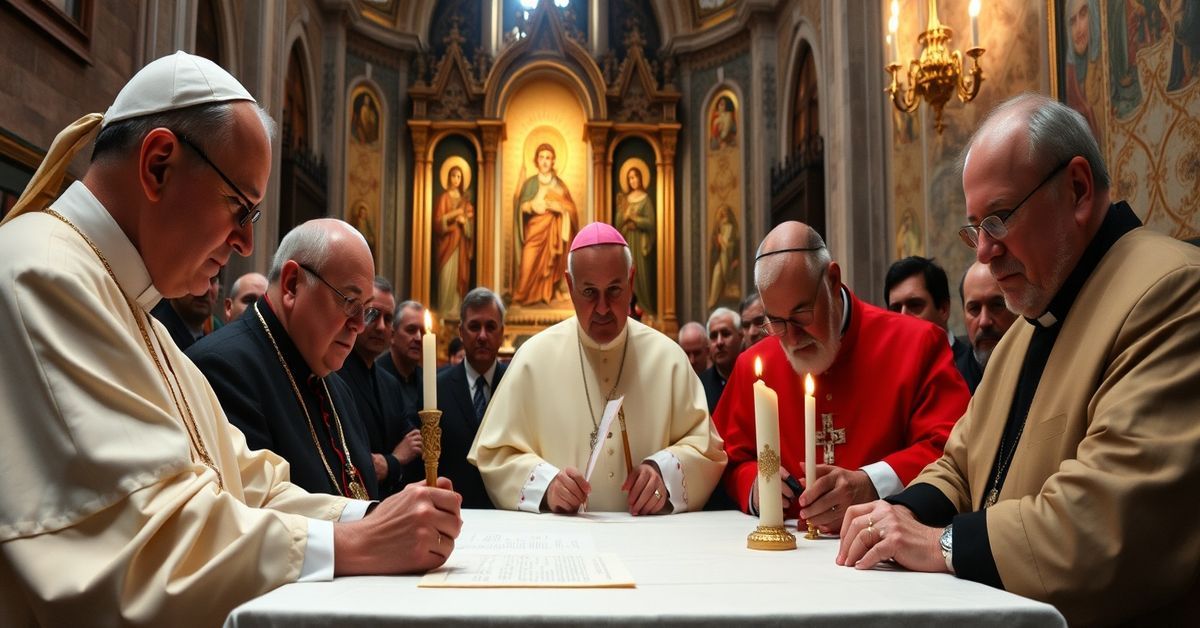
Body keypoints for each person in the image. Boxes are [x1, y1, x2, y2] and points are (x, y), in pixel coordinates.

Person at [0, 51, 460, 625]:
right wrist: (358, 545)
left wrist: (372, 518)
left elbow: (250, 485)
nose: (245, 242)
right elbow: (146, 546)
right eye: (239, 207)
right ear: (159, 165)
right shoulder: (44, 275)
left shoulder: (135, 312)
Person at [837, 94, 1200, 626]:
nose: (982, 251)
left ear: (1076, 189)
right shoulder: (1026, 327)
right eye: (975, 228)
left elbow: (1108, 522)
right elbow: (960, 464)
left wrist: (941, 544)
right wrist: (901, 514)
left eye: (1000, 219)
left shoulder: (1172, 292)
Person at [715, 222, 968, 532]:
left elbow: (954, 449)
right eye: (776, 321)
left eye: (801, 315)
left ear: (832, 281)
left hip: (887, 555)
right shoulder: (753, 366)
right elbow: (724, 459)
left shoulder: (918, 344)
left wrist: (872, 483)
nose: (791, 340)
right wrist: (755, 486)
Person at [471, 223, 726, 514]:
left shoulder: (669, 359)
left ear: (631, 282)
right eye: (589, 292)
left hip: (651, 544)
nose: (603, 308)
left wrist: (663, 473)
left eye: (614, 290)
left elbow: (707, 450)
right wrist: (547, 484)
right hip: (563, 544)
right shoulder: (532, 359)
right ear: (570, 286)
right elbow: (495, 455)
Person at [188, 219, 379, 499]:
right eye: (350, 301)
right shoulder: (221, 369)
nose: (360, 325)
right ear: (292, 285)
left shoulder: (339, 389)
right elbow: (258, 517)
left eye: (367, 309)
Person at [337, 276, 422, 497]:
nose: (382, 327)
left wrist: (388, 463)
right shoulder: (333, 375)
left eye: (389, 318)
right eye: (373, 315)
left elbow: (412, 444)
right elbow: (355, 460)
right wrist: (394, 460)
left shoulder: (389, 383)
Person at [435, 287, 508, 509]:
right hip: (454, 511)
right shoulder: (437, 387)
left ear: (502, 332)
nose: (483, 336)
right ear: (461, 331)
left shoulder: (516, 383)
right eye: (475, 326)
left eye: (491, 327)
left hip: (508, 513)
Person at [884, 256, 975, 390]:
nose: (903, 317)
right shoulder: (885, 376)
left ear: (943, 309)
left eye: (915, 305)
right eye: (895, 309)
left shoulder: (975, 369)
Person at [513, 143, 579, 306]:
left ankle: (549, 292)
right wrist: (529, 206)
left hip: (554, 230)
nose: (544, 161)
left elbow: (572, 210)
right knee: (528, 261)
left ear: (553, 161)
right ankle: (521, 295)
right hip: (534, 230)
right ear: (536, 160)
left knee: (553, 260)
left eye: (548, 158)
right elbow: (521, 206)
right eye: (541, 157)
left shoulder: (560, 185)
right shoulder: (530, 183)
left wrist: (560, 209)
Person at [955, 262, 1017, 393]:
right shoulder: (951, 383)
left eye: (996, 305)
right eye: (974, 309)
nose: (984, 322)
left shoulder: (1044, 370)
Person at [378, 300, 427, 457]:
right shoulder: (377, 377)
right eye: (411, 330)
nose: (419, 338)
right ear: (392, 335)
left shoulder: (428, 381)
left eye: (423, 332)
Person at [433, 164, 474, 315]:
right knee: (445, 278)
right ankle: (444, 310)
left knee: (459, 277)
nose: (456, 179)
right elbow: (437, 223)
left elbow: (471, 229)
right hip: (446, 245)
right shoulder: (443, 198)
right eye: (453, 176)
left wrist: (466, 224)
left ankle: (456, 311)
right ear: (448, 178)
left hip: (461, 247)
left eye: (459, 176)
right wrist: (454, 214)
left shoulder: (466, 202)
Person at [616, 163, 655, 316]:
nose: (633, 180)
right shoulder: (625, 200)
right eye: (630, 178)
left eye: (635, 177)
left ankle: (644, 308)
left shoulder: (645, 199)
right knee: (626, 274)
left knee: (641, 276)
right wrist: (624, 217)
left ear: (640, 178)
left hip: (641, 243)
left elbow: (650, 223)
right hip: (627, 242)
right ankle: (628, 310)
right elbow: (618, 223)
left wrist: (635, 220)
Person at [151, 273, 222, 350]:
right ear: (177, 281)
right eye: (197, 277)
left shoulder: (219, 332)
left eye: (213, 280)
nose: (206, 289)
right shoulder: (155, 333)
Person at [698, 307, 741, 414]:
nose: (719, 342)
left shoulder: (755, 378)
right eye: (713, 336)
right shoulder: (699, 386)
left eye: (726, 334)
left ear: (741, 337)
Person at [707, 204, 739, 309]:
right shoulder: (719, 227)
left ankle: (718, 296)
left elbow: (731, 244)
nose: (724, 215)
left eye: (725, 212)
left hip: (728, 257)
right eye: (722, 213)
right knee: (717, 273)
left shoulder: (731, 227)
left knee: (723, 273)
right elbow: (715, 243)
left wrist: (722, 242)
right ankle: (713, 299)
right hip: (720, 256)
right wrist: (718, 242)